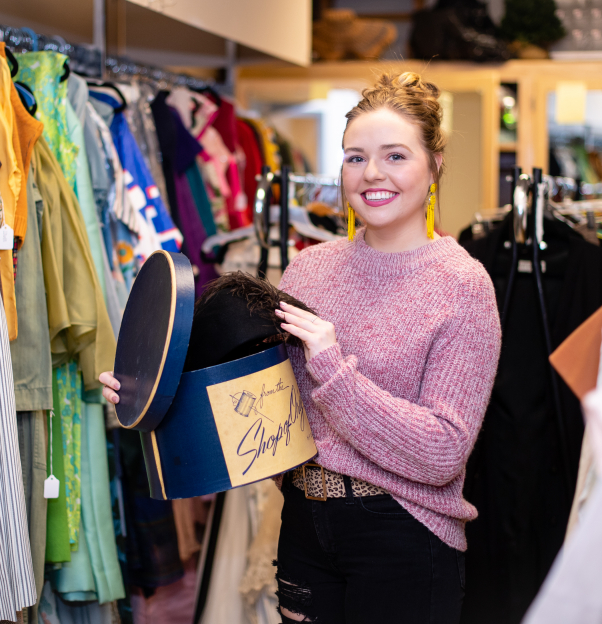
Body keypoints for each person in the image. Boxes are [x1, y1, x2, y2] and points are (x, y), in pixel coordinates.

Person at [100, 72, 501, 623]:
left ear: (434, 165)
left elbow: (443, 453)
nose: (372, 174)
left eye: (396, 156)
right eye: (355, 157)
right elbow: (266, 416)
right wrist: (154, 395)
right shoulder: (309, 269)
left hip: (406, 536)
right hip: (304, 526)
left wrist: (335, 372)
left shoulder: (463, 285)